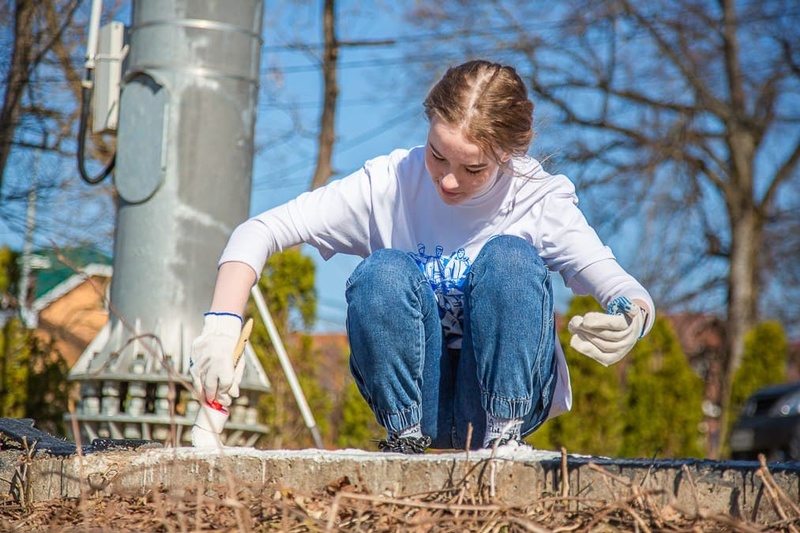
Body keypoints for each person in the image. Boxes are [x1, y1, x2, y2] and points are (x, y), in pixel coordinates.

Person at [189, 59, 655, 453]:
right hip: (418, 397)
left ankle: (504, 440)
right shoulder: (390, 183)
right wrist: (221, 324)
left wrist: (630, 317)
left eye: (473, 168)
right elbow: (261, 230)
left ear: (511, 154)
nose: (448, 181)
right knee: (382, 272)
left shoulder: (539, 199)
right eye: (437, 156)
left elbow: (619, 286)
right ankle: (404, 438)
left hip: (506, 394)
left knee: (511, 259)